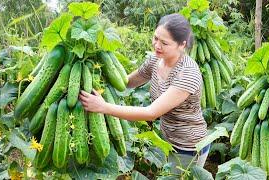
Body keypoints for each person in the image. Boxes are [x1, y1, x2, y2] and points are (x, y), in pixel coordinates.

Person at [79, 13, 210, 176]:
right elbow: (127, 82)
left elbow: (151, 113)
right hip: (166, 138)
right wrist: (95, 73)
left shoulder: (187, 74)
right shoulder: (156, 59)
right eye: (155, 38)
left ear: (181, 45)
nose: (157, 45)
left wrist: (103, 107)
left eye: (164, 43)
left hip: (189, 147)